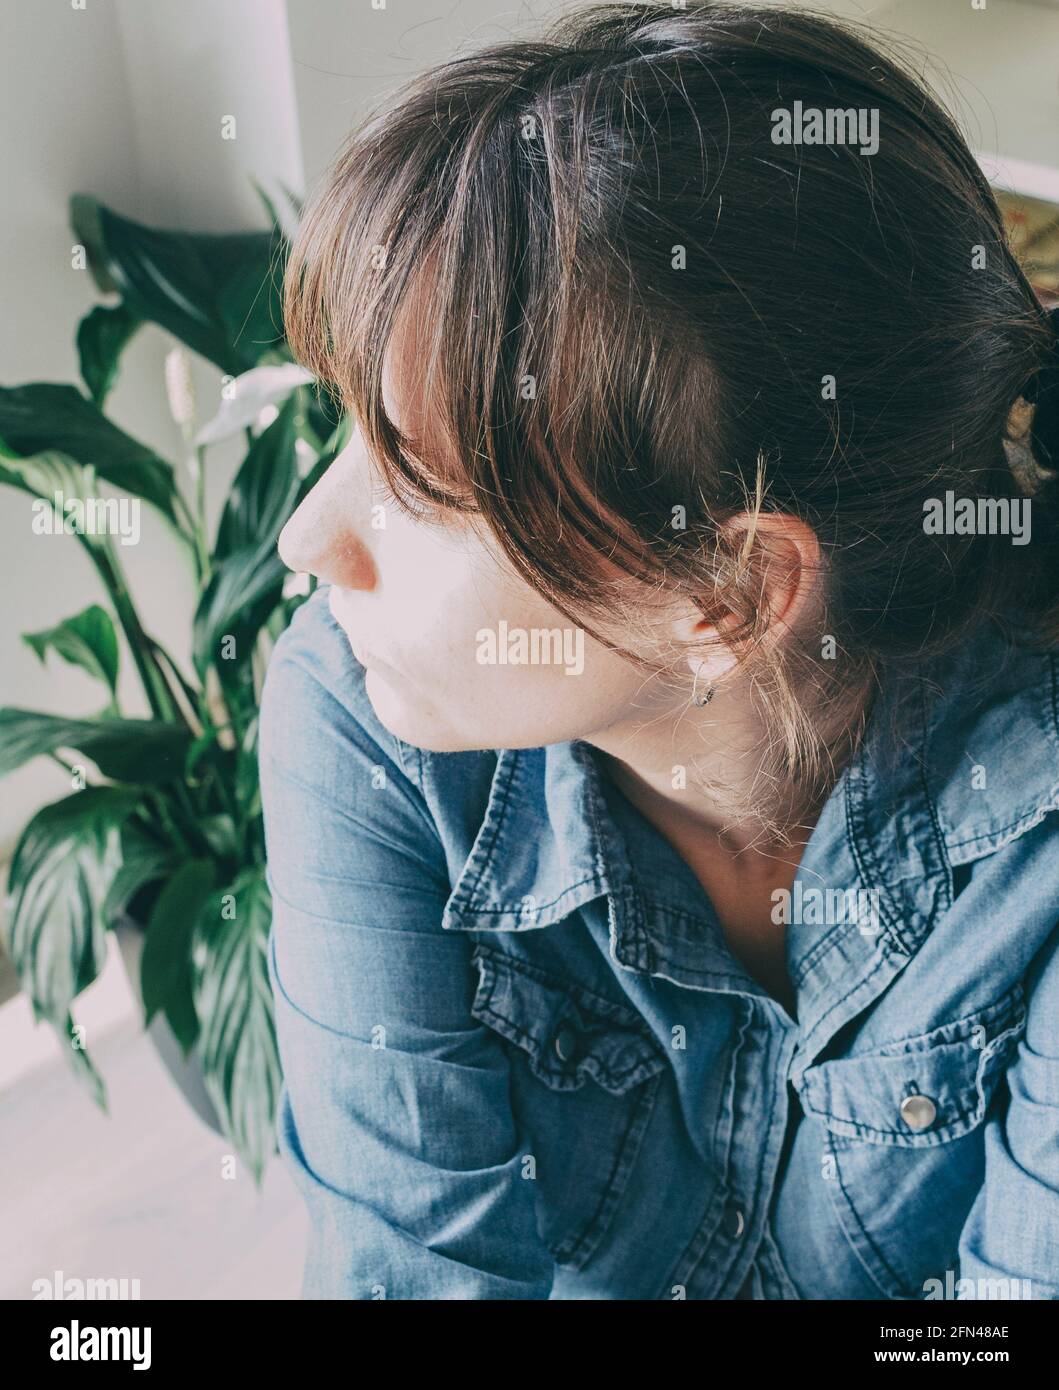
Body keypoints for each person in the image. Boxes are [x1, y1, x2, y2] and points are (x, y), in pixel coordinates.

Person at [259, 2, 1059, 1299]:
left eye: (421, 493)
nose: (309, 539)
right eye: (346, 430)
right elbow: (411, 1274)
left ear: (732, 590)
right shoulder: (358, 709)